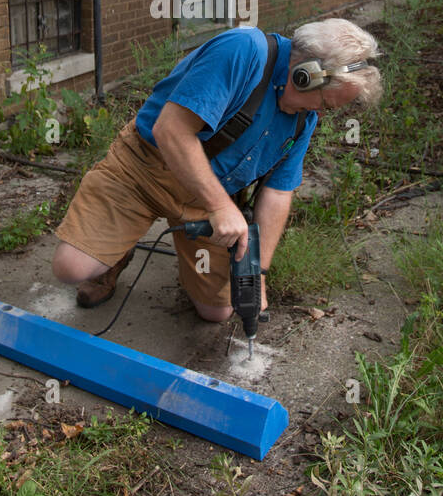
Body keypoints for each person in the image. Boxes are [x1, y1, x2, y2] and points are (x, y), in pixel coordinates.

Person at [51, 18, 382, 322]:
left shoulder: (303, 119)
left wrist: (257, 275)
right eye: (325, 104)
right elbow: (171, 131)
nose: (322, 116)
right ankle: (115, 253)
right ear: (305, 74)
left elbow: (279, 191)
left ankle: (189, 262)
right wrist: (222, 207)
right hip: (146, 168)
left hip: (207, 198)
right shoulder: (244, 52)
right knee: (71, 268)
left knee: (219, 311)